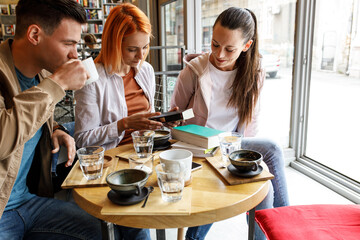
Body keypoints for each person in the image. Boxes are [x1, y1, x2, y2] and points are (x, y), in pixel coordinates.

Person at [171, 7, 290, 240]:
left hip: (231, 147)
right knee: (265, 180)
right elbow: (175, 120)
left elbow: (251, 120)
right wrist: (176, 118)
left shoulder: (254, 72)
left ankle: (285, 227)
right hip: (200, 149)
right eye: (215, 44)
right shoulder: (193, 72)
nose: (220, 54)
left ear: (246, 46)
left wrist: (245, 162)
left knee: (267, 172)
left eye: (229, 49)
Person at [0, 0, 102, 239]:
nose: (74, 54)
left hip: (28, 201)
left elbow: (28, 118)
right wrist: (57, 84)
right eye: (68, 43)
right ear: (35, 34)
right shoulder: (49, 81)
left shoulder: (42, 74)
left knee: (103, 229)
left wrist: (54, 128)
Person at [74, 3, 166, 239]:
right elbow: (83, 141)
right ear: (114, 44)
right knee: (140, 230)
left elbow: (148, 115)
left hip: (144, 158)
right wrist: (124, 124)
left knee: (180, 194)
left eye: (145, 47)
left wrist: (161, 122)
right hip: (112, 168)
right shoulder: (92, 79)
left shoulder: (145, 70)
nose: (141, 56)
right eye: (132, 49)